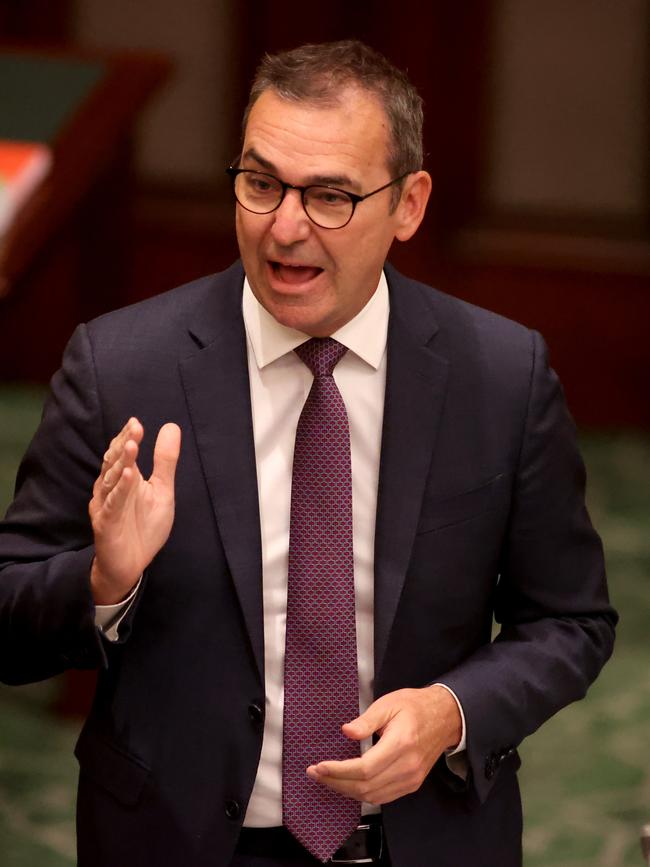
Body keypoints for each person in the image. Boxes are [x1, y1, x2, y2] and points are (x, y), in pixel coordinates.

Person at [0, 40, 616, 867]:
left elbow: (572, 620)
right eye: (261, 184)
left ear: (409, 204)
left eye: (330, 196)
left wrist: (451, 710)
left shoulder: (502, 377)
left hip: (419, 841)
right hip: (177, 841)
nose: (285, 227)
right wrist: (105, 583)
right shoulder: (121, 366)